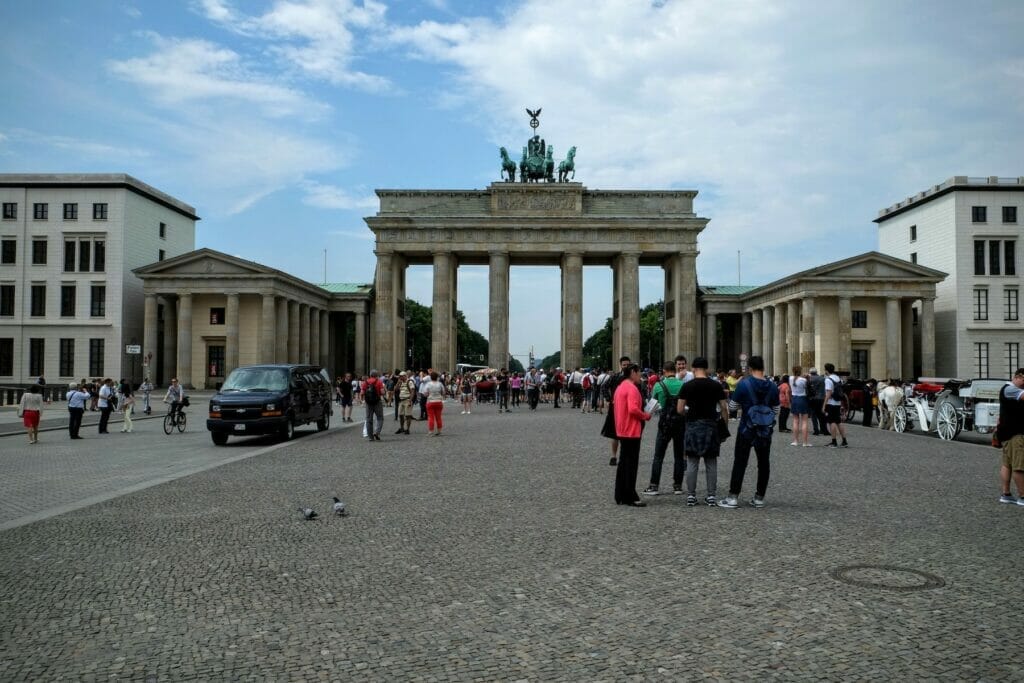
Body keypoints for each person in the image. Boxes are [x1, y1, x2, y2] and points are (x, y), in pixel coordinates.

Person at [719, 355, 780, 509]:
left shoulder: (744, 384)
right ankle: (759, 497)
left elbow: (732, 407)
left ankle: (733, 497)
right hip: (765, 430)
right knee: (764, 463)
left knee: (740, 462)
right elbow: (776, 410)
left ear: (750, 369)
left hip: (747, 428)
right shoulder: (772, 386)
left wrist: (745, 407)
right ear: (763, 368)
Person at [678, 356, 729, 506]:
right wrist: (724, 426)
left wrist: (689, 413)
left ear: (693, 368)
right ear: (706, 369)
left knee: (692, 461)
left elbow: (679, 409)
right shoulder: (716, 386)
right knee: (711, 461)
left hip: (693, 425)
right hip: (710, 425)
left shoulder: (687, 386)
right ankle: (711, 496)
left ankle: (691, 496)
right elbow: (724, 408)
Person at [642, 361, 686, 496]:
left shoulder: (658, 385)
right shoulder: (683, 385)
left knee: (658, 456)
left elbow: (652, 405)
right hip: (680, 423)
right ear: (675, 370)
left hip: (664, 424)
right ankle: (677, 486)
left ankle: (654, 486)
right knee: (679, 456)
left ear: (665, 372)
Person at [613, 363, 652, 506]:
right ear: (633, 372)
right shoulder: (632, 388)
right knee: (631, 464)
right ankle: (630, 496)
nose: (640, 375)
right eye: (639, 372)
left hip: (622, 429)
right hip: (632, 430)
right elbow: (633, 409)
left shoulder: (620, 387)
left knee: (623, 463)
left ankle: (620, 494)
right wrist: (646, 415)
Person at [997, 368, 1024, 505]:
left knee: (1007, 464)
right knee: (1019, 466)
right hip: (1015, 433)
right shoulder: (1010, 389)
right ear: (1017, 377)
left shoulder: (1007, 389)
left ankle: (1006, 494)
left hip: (1007, 433)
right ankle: (1022, 496)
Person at [600, 356, 633, 466]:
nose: (626, 367)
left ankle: (625, 456)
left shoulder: (633, 378)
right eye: (624, 365)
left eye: (628, 365)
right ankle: (613, 456)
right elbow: (604, 387)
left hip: (628, 409)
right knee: (614, 434)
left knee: (627, 433)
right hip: (615, 409)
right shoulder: (615, 377)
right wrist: (609, 399)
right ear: (620, 365)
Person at [823, 363, 849, 448]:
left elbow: (828, 393)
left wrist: (824, 405)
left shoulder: (828, 380)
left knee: (832, 422)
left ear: (826, 370)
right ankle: (844, 441)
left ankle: (834, 442)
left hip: (831, 403)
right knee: (839, 422)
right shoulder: (838, 378)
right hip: (838, 403)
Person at [789, 366, 811, 447]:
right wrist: (807, 377)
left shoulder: (790, 378)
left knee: (795, 421)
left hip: (794, 399)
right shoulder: (804, 380)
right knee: (804, 421)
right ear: (800, 371)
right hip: (802, 399)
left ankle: (795, 441)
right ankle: (805, 442)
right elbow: (807, 387)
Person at [362, 370, 386, 441]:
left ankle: (370, 437)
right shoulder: (379, 382)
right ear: (376, 375)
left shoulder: (365, 382)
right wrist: (383, 393)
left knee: (369, 419)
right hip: (377, 402)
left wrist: (362, 400)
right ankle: (377, 432)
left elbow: (362, 392)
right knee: (380, 418)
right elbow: (382, 392)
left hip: (368, 403)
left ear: (370, 375)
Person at [424, 371, 447, 436]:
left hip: (430, 402)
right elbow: (443, 393)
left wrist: (428, 394)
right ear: (437, 377)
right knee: (438, 417)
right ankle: (439, 430)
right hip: (439, 402)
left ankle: (431, 431)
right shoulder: (440, 384)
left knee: (431, 417)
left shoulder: (428, 384)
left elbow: (425, 394)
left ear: (430, 377)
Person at [807, 368, 826, 435]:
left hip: (813, 399)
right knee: (821, 415)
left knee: (813, 415)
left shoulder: (809, 379)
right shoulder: (822, 378)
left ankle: (816, 430)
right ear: (816, 372)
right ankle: (823, 429)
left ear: (810, 372)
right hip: (821, 398)